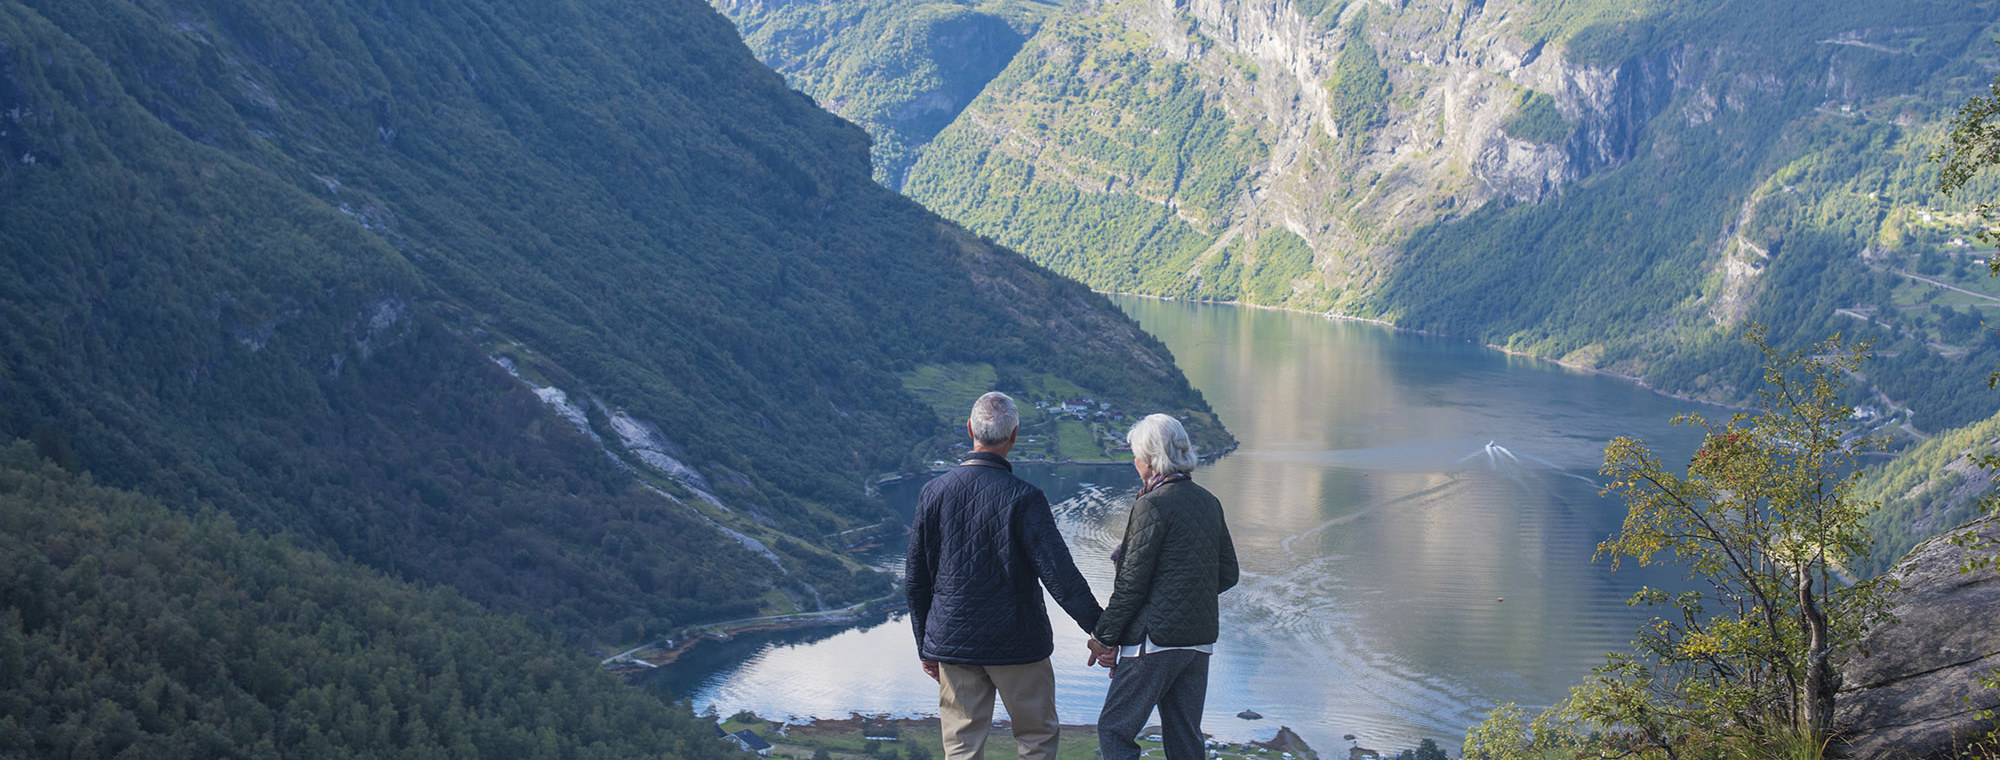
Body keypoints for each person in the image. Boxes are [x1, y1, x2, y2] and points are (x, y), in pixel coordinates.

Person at [906, 392, 1104, 760]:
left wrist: (926, 646)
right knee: (1036, 739)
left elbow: (917, 579)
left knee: (961, 747)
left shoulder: (932, 493)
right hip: (1018, 643)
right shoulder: (1025, 498)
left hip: (952, 641)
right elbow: (1060, 575)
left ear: (970, 429)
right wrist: (1102, 630)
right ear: (1014, 435)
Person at [1089, 413, 1238, 760]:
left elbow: (1131, 586)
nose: (1134, 463)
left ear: (1151, 458)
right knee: (1185, 737)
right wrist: (1184, 597)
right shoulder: (1208, 502)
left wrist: (1103, 638)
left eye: (1136, 456)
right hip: (1197, 642)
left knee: (1114, 730)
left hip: (1154, 642)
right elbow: (1228, 574)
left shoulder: (1151, 504)